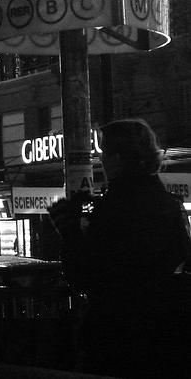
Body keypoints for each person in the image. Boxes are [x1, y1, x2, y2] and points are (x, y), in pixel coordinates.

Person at [48, 118, 191, 377]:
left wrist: (69, 232)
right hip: (165, 331)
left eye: (104, 152)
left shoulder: (113, 208)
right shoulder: (169, 205)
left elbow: (86, 275)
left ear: (117, 157)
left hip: (114, 331)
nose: (101, 160)